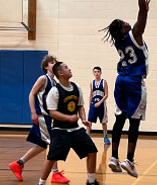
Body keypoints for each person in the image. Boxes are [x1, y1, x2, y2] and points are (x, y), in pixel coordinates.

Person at [101, 0, 150, 178]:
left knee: (119, 119)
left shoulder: (119, 41)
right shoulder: (134, 34)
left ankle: (113, 156)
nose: (127, 22)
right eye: (123, 23)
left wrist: (144, 9)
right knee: (135, 121)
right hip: (134, 83)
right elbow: (141, 10)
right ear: (123, 30)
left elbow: (140, 12)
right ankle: (129, 161)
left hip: (120, 81)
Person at [9, 55, 69, 183]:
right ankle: (55, 173)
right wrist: (33, 112)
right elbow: (31, 94)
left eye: (56, 62)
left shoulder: (54, 82)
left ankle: (18, 163)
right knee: (54, 143)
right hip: (42, 116)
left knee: (42, 145)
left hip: (49, 117)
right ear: (46, 66)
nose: (55, 64)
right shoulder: (43, 78)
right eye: (52, 62)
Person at [37, 61, 99, 185]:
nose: (69, 69)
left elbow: (80, 105)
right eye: (66, 68)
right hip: (59, 131)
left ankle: (91, 181)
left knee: (92, 151)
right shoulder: (55, 91)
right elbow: (52, 113)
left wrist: (83, 119)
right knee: (51, 158)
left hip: (75, 130)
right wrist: (68, 118)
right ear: (60, 73)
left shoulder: (76, 87)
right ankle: (41, 183)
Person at [87, 66, 110, 146]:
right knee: (89, 121)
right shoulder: (92, 83)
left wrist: (100, 102)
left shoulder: (104, 82)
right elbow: (91, 94)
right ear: (93, 73)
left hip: (101, 105)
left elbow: (106, 95)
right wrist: (90, 104)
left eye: (98, 72)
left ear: (100, 73)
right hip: (93, 104)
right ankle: (87, 137)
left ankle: (106, 137)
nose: (96, 73)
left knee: (103, 122)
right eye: (95, 72)